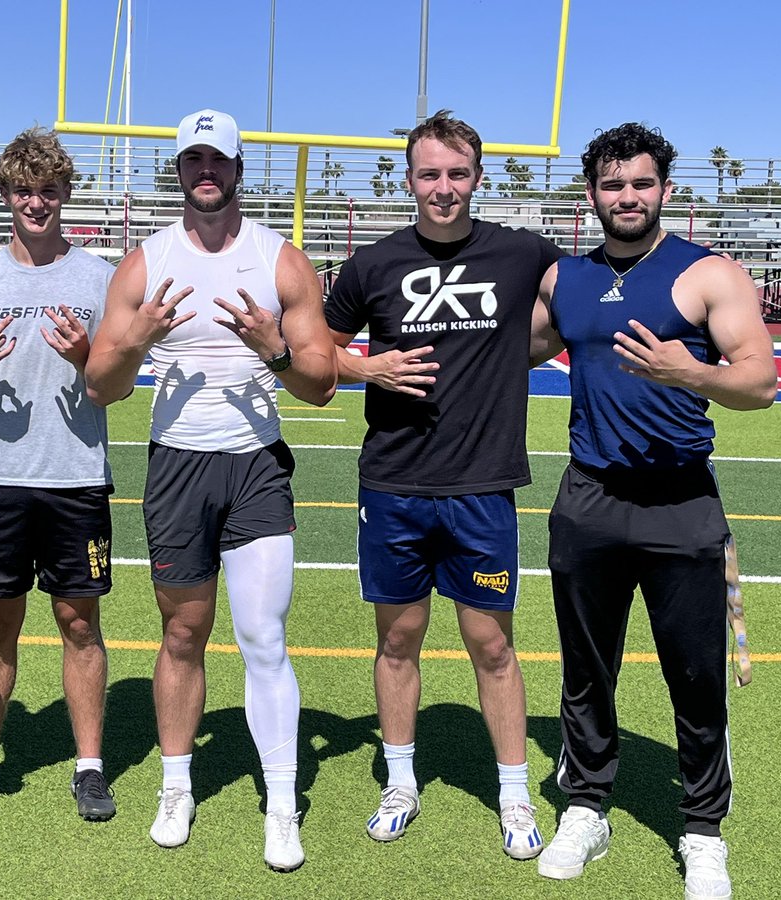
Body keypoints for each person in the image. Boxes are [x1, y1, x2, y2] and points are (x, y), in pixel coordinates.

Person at [85, 108, 337, 872]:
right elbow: (101, 384)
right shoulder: (144, 262)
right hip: (178, 467)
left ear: (237, 168)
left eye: (218, 160)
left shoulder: (280, 260)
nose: (206, 172)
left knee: (264, 637)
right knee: (182, 636)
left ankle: (283, 802)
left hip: (255, 465)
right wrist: (135, 342)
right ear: (179, 169)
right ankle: (175, 786)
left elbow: (322, 384)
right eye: (193, 159)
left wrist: (276, 349)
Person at [531, 123, 776, 900]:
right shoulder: (564, 279)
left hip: (679, 499)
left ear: (664, 189)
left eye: (640, 183)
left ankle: (702, 829)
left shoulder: (707, 274)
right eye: (612, 184)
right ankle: (587, 805)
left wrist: (688, 371)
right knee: (585, 669)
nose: (626, 197)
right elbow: (501, 349)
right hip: (589, 497)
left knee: (696, 674)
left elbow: (762, 382)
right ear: (592, 193)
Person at [322, 109, 564, 858]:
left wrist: (519, 352)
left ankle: (515, 794)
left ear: (478, 178)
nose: (444, 188)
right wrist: (367, 365)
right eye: (430, 173)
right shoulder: (375, 263)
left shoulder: (523, 253)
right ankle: (401, 780)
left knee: (492, 644)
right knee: (398, 639)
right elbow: (315, 353)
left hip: (484, 487)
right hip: (394, 483)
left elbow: (580, 307)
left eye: (458, 174)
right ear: (408, 179)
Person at [0, 128, 118, 822]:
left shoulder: (100, 278)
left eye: (47, 190)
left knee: (79, 621)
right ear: (5, 195)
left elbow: (117, 388)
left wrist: (85, 361)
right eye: (23, 190)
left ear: (65, 194)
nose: (36, 202)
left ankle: (90, 767)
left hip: (75, 477)